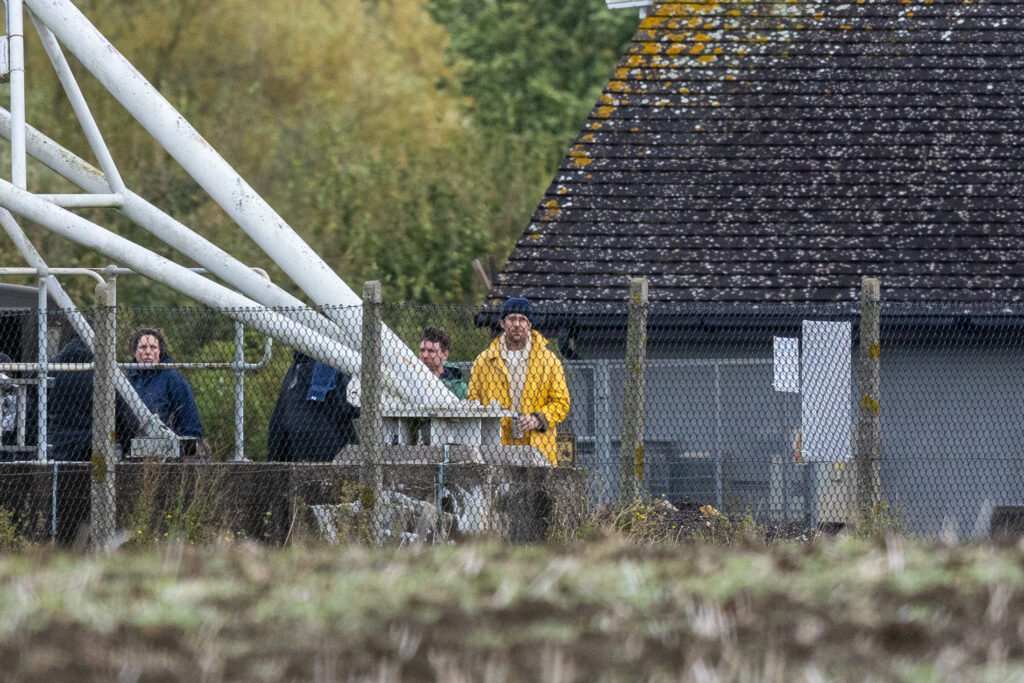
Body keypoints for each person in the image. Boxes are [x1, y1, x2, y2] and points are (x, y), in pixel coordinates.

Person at [468, 297, 570, 465]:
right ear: (502, 323)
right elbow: (473, 401)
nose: (517, 324)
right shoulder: (484, 361)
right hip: (496, 446)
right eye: (512, 318)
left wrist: (538, 419)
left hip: (537, 446)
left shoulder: (549, 361)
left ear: (529, 325)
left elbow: (562, 402)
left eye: (522, 319)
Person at [267, 353, 360, 462]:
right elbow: (351, 407)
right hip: (321, 442)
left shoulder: (298, 367)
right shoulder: (326, 369)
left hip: (290, 441)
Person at [126, 327, 203, 440]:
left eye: (153, 347)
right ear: (134, 352)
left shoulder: (172, 378)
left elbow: (190, 422)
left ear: (160, 351)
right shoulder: (128, 379)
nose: (148, 352)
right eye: (143, 347)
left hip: (167, 444)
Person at [419, 326, 468, 399]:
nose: (425, 355)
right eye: (422, 350)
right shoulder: (409, 380)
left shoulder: (460, 389)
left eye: (431, 351)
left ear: (445, 354)